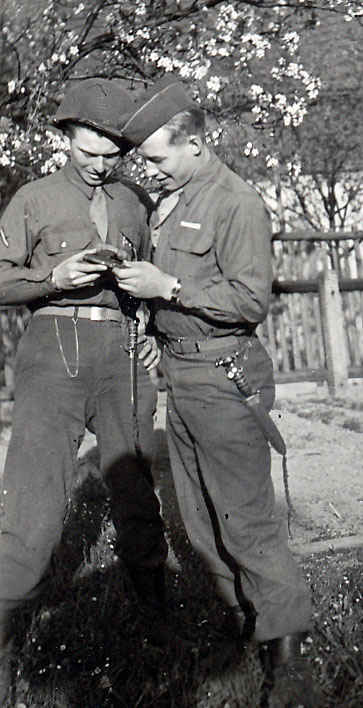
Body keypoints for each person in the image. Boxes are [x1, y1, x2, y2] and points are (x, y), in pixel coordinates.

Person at [114, 75, 320, 707]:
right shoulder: (168, 201)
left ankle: (289, 658)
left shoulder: (236, 202)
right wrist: (148, 320)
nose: (149, 172)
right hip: (179, 372)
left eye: (157, 158)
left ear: (195, 143)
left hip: (223, 375)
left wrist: (169, 289)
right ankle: (244, 634)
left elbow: (251, 297)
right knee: (202, 523)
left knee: (246, 522)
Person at [0, 78, 168, 702]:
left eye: (110, 154)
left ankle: (157, 640)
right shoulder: (33, 200)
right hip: (53, 349)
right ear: (66, 137)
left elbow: (149, 276)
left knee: (135, 492)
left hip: (120, 353)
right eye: (88, 150)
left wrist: (149, 329)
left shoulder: (135, 202)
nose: (99, 164)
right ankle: (5, 642)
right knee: (34, 501)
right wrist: (53, 276)